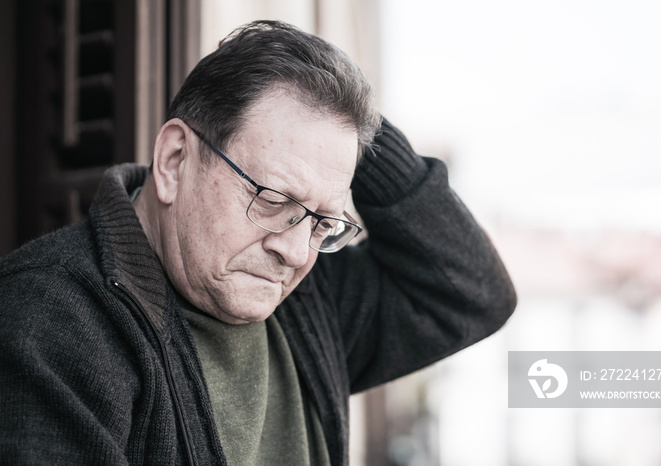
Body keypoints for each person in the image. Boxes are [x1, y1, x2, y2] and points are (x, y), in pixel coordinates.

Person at [0, 20, 516, 466]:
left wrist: (354, 135)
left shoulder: (310, 307)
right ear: (175, 160)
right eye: (272, 199)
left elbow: (473, 292)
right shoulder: (47, 322)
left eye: (321, 223)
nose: (294, 252)